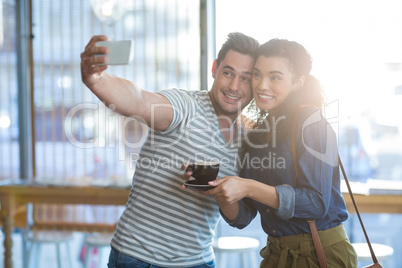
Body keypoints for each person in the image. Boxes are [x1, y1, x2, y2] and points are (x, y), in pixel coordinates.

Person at [80, 32, 259, 268]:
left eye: (245, 79)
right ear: (214, 69)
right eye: (228, 73)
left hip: (199, 261)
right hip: (139, 258)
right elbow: (140, 101)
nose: (234, 86)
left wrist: (221, 192)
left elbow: (241, 218)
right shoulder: (185, 106)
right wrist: (96, 79)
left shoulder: (247, 139)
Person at [203, 39, 358, 267]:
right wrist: (220, 191)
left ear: (298, 82)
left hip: (320, 254)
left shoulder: (311, 122)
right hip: (276, 256)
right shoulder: (257, 134)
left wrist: (247, 186)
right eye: (257, 75)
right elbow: (243, 217)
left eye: (275, 77)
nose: (261, 85)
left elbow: (316, 203)